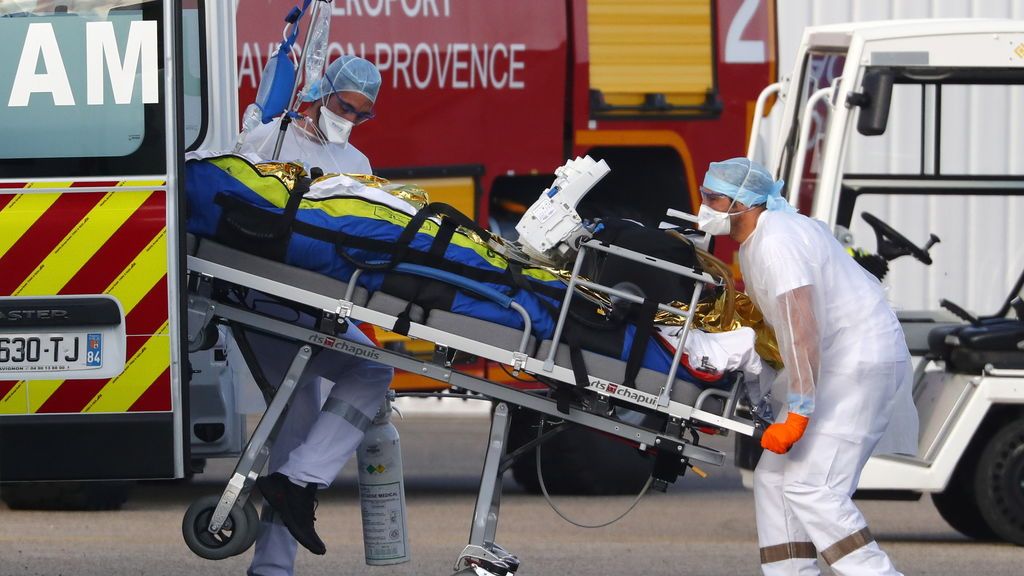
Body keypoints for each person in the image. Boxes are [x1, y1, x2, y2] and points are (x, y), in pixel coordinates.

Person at [695, 158, 918, 576]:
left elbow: (801, 328)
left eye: (714, 198)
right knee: (775, 482)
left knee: (813, 487)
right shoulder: (760, 240)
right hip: (837, 365)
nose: (704, 205)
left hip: (856, 365)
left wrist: (798, 410)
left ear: (744, 203)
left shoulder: (778, 240)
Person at [231, 55, 393, 576]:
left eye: (362, 114)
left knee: (370, 371)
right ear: (323, 92)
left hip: (317, 305)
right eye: (345, 107)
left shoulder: (359, 163)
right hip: (268, 298)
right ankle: (280, 540)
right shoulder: (270, 141)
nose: (349, 120)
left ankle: (297, 486)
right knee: (298, 418)